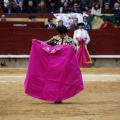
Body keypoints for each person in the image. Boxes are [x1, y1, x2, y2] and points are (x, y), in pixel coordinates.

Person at [24, 25, 84, 104]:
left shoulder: (70, 41)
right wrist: (36, 42)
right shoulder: (55, 38)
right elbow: (45, 44)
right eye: (60, 33)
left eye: (62, 33)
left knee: (62, 80)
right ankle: (56, 97)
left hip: (65, 64)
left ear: (65, 33)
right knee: (56, 81)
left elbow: (74, 50)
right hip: (55, 64)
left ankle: (60, 97)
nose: (61, 35)